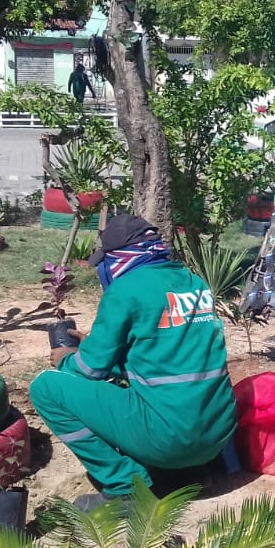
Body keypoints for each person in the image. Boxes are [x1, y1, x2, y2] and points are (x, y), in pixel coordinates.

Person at [29, 215, 236, 511]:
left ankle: (123, 488)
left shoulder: (126, 290)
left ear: (118, 257)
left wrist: (67, 359)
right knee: (169, 386)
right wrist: (99, 347)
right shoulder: (194, 282)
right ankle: (191, 475)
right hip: (215, 437)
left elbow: (90, 369)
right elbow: (164, 359)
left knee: (46, 388)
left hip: (169, 438)